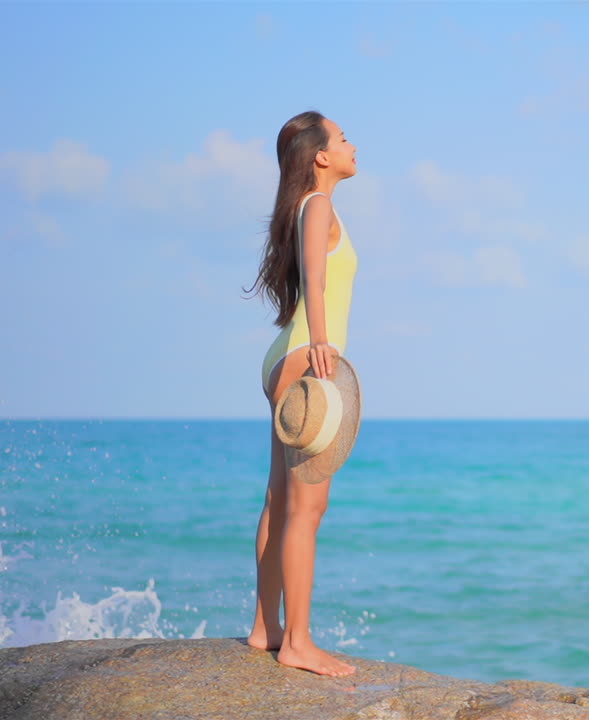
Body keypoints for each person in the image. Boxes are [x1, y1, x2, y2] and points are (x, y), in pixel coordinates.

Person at [242, 110, 359, 677]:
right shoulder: (319, 206)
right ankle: (299, 643)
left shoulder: (308, 207)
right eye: (342, 139)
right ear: (319, 157)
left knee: (279, 501)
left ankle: (268, 628)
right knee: (308, 508)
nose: (352, 145)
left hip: (284, 357)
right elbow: (314, 276)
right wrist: (320, 344)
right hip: (306, 356)